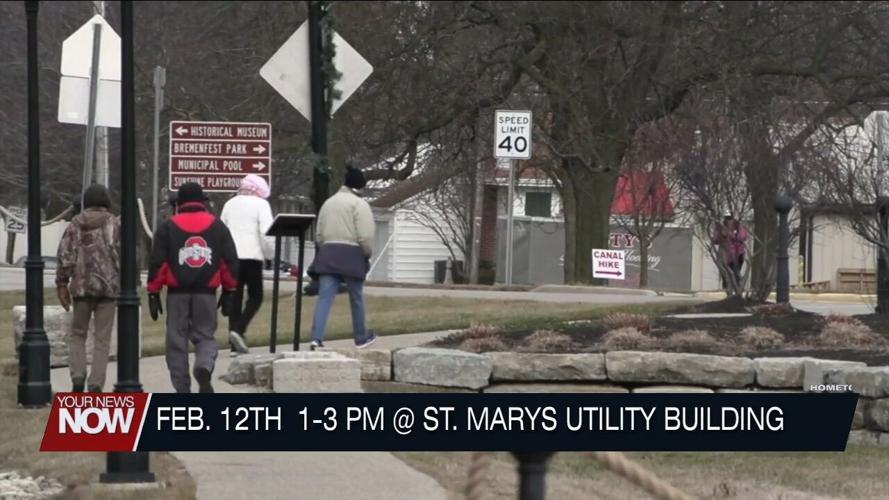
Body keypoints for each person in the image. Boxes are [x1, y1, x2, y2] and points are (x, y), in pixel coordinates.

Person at [147, 182, 239, 393]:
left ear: (179, 203)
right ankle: (204, 366)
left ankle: (182, 388)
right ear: (202, 202)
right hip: (206, 292)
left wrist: (153, 291)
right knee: (205, 335)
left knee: (176, 340)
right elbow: (229, 261)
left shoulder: (168, 227)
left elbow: (158, 263)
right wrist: (229, 290)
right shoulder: (217, 226)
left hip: (177, 293)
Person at [56, 184, 120, 393]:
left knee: (78, 334)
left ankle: (77, 376)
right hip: (108, 289)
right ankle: (95, 384)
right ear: (106, 202)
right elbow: (124, 256)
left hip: (82, 288)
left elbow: (66, 256)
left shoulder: (75, 224)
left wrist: (62, 283)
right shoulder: (115, 224)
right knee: (102, 339)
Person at [308, 164, 377, 350]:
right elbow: (365, 235)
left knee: (324, 297)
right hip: (352, 254)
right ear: (359, 187)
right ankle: (361, 337)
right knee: (356, 297)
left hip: (328, 253)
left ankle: (316, 338)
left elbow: (319, 235)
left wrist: (326, 248)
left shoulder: (328, 203)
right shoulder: (360, 204)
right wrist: (366, 253)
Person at [220, 174, 275, 355]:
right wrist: (270, 254)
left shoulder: (229, 204)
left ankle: (234, 344)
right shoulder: (261, 205)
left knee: (234, 297)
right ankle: (239, 329)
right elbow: (266, 232)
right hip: (252, 256)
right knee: (256, 296)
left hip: (231, 257)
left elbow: (222, 231)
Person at [712, 212, 749, 289]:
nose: (729, 221)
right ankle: (727, 290)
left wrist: (730, 234)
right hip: (725, 255)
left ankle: (737, 290)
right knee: (726, 275)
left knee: (735, 273)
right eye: (727, 219)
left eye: (730, 219)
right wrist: (720, 235)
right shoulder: (721, 227)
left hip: (738, 254)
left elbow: (743, 237)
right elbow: (715, 241)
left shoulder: (738, 226)